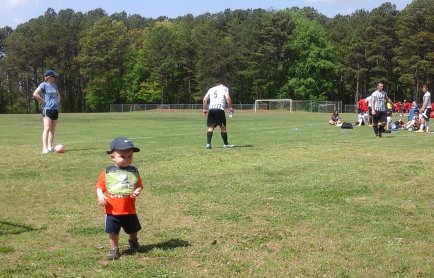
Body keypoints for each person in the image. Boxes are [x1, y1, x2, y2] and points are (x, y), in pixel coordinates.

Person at [96, 136, 143, 260]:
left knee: (133, 230)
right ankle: (114, 249)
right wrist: (100, 195)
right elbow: (99, 186)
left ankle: (133, 241)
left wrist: (137, 191)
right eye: (122, 156)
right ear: (113, 157)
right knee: (113, 232)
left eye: (130, 156)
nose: (127, 159)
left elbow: (139, 185)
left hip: (129, 209)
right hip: (112, 211)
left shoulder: (134, 170)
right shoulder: (107, 172)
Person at [32, 69, 61, 154]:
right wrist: (43, 101)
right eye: (53, 76)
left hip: (55, 110)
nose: (55, 78)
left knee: (52, 130)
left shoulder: (54, 86)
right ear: (48, 77)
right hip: (47, 109)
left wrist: (57, 102)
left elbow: (58, 95)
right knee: (47, 128)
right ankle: (44, 148)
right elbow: (35, 94)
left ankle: (50, 147)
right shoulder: (43, 85)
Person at [202, 83, 234, 149]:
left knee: (211, 127)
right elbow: (227, 98)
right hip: (219, 109)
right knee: (222, 127)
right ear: (223, 85)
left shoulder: (211, 89)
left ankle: (208, 144)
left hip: (211, 109)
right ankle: (225, 144)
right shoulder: (225, 88)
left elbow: (205, 100)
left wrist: (205, 109)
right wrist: (230, 107)